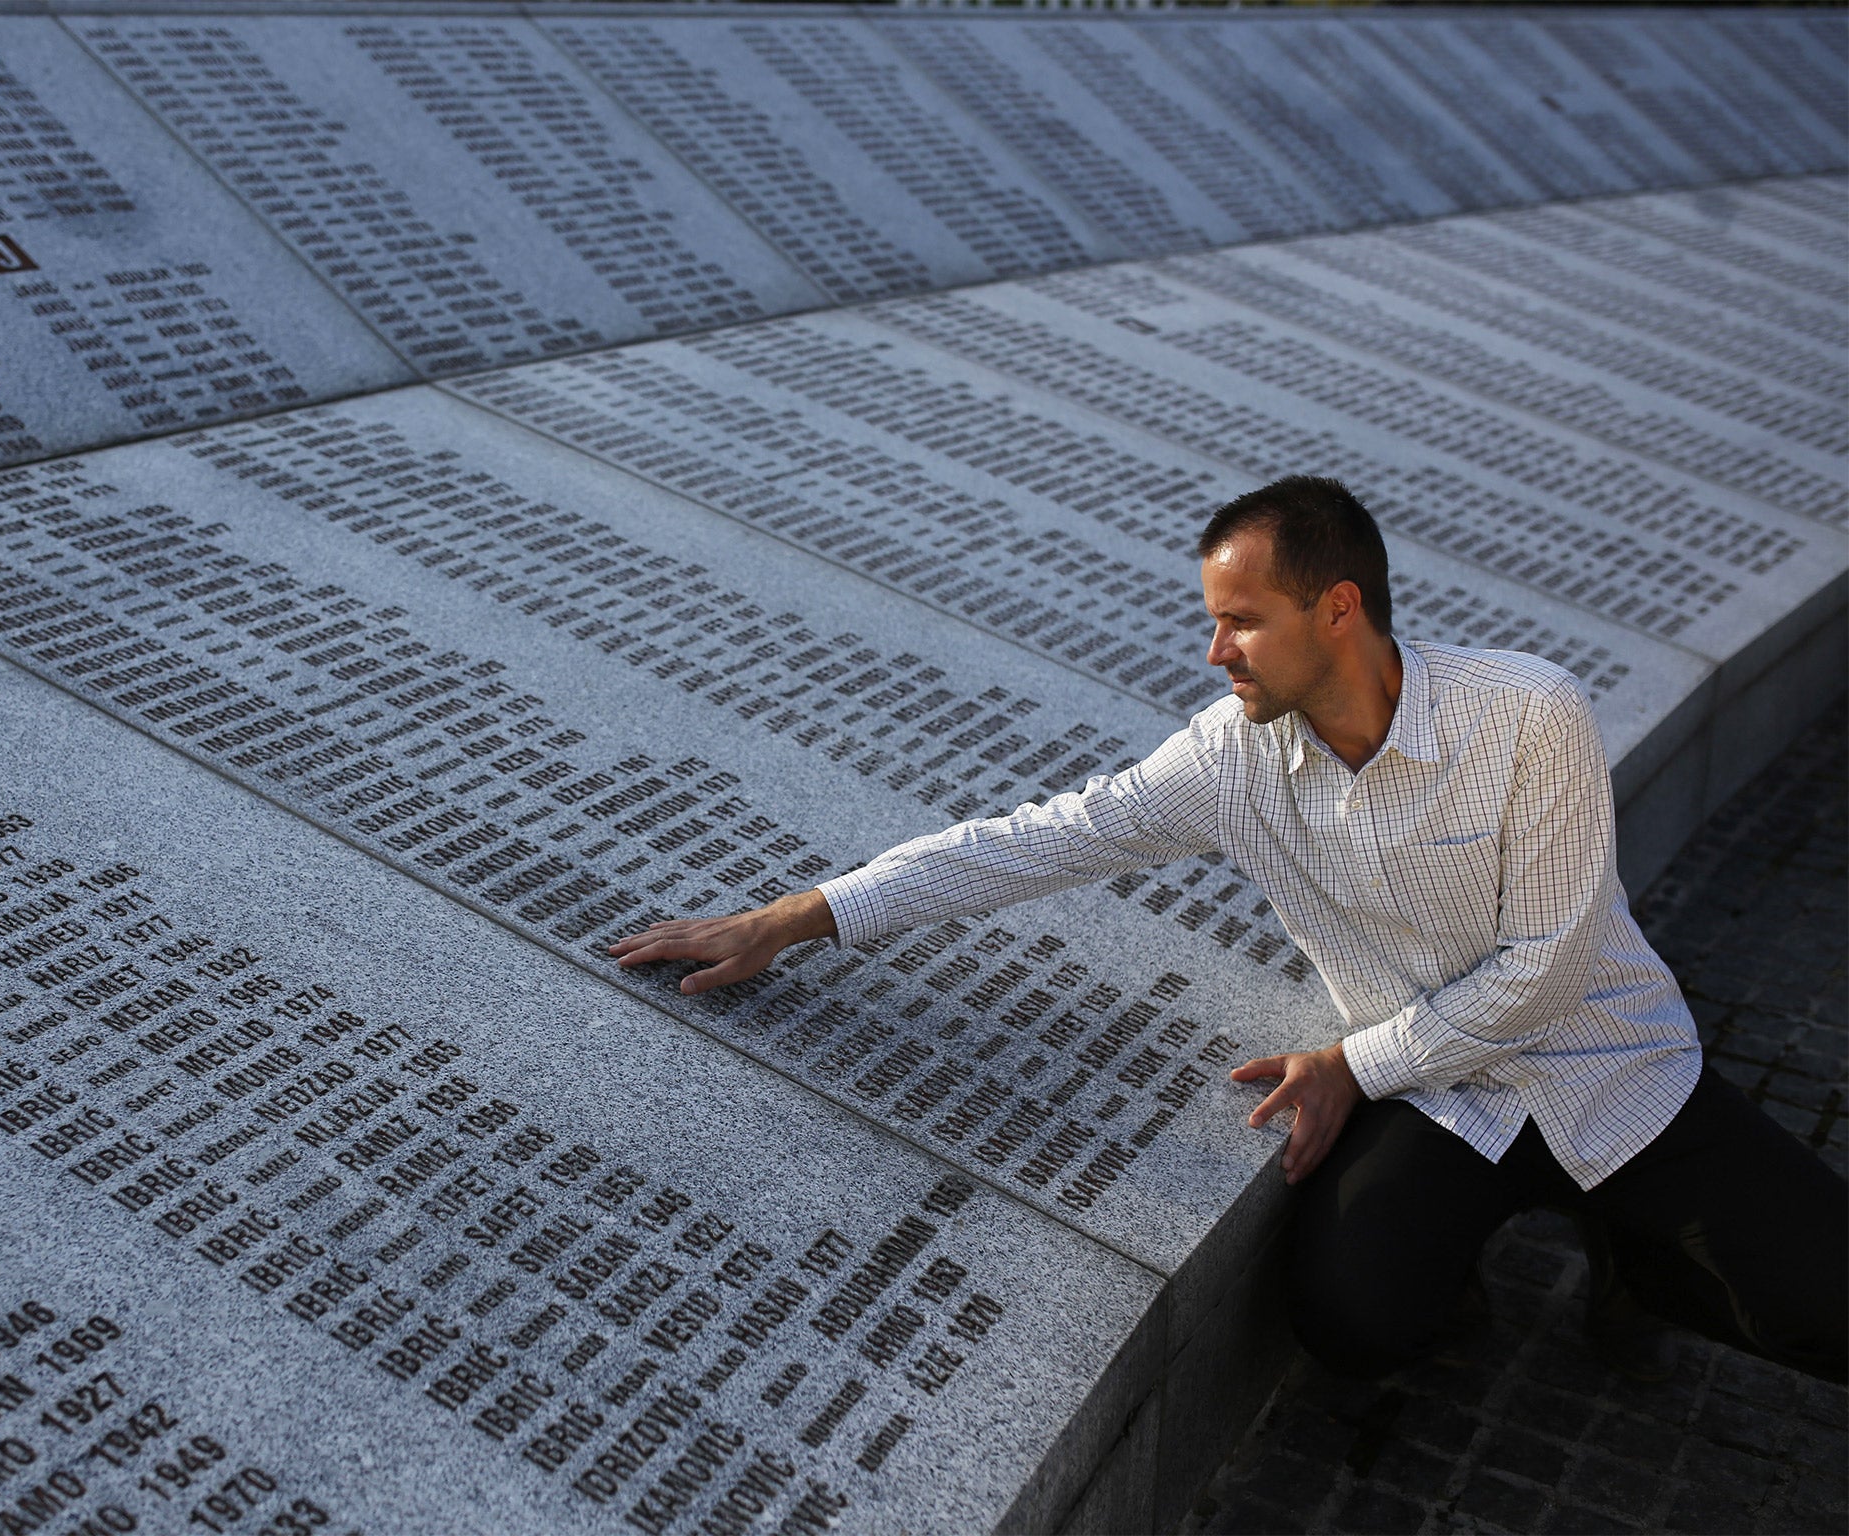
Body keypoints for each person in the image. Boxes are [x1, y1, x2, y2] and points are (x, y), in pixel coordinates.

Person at [608, 475, 1847, 1385]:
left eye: (1241, 621)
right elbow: (1039, 837)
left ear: (1338, 610)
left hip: (1607, 1064)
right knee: (1353, 1320)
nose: (1215, 652)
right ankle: (1514, 1251)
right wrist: (796, 916)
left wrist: (1349, 1065)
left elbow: (1546, 972)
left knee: (1828, 1303)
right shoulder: (1231, 757)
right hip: (1447, 1102)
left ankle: (1648, 1262)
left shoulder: (1528, 715)